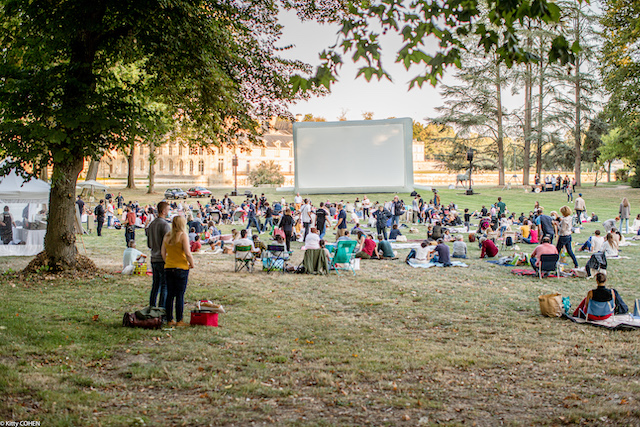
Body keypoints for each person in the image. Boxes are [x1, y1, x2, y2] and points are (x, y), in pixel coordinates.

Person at [162, 215, 195, 327]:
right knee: (180, 294)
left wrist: (167, 261)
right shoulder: (183, 235)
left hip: (169, 267)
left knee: (170, 294)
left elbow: (163, 252)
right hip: (181, 267)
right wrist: (191, 263)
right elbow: (187, 252)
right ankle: (179, 320)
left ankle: (169, 319)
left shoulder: (167, 236)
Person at [147, 201, 171, 308]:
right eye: (168, 210)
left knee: (155, 285)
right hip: (162, 259)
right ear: (163, 211)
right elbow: (169, 243)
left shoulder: (151, 224)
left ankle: (152, 306)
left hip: (153, 258)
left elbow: (149, 244)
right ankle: (161, 309)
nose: (169, 212)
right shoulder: (165, 225)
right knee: (165, 286)